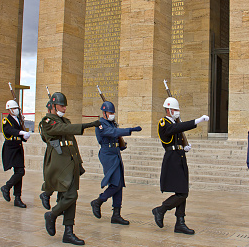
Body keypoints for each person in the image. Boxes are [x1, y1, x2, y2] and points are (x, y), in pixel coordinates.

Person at [39, 92, 101, 245]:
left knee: (70, 198)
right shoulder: (47, 122)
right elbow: (63, 130)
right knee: (71, 195)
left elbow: (72, 143)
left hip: (70, 163)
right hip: (59, 165)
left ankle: (68, 232)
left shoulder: (64, 121)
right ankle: (52, 215)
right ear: (53, 106)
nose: (64, 108)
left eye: (65, 106)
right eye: (61, 105)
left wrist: (78, 163)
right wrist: (88, 125)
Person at [152, 97, 209, 234]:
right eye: (175, 110)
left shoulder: (174, 122)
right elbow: (175, 129)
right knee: (182, 193)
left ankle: (180, 223)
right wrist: (198, 121)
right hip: (172, 159)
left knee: (182, 190)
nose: (177, 112)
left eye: (178, 110)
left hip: (179, 157)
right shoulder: (163, 123)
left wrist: (184, 147)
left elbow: (178, 133)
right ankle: (161, 209)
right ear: (168, 110)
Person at [90, 101, 142, 225]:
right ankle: (98, 201)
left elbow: (115, 135)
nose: (112, 114)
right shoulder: (101, 124)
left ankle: (116, 214)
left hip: (115, 152)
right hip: (107, 154)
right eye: (110, 112)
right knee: (115, 184)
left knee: (119, 183)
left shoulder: (110, 123)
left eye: (113, 112)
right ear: (104, 113)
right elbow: (112, 133)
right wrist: (130, 130)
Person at [0, 100, 31, 208]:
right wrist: (20, 132)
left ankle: (17, 198)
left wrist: (24, 136)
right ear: (9, 109)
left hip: (18, 147)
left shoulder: (18, 119)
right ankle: (7, 187)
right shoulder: (6, 120)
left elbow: (20, 133)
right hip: (10, 148)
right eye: (14, 108)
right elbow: (8, 130)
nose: (16, 110)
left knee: (20, 172)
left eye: (17, 108)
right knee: (20, 172)